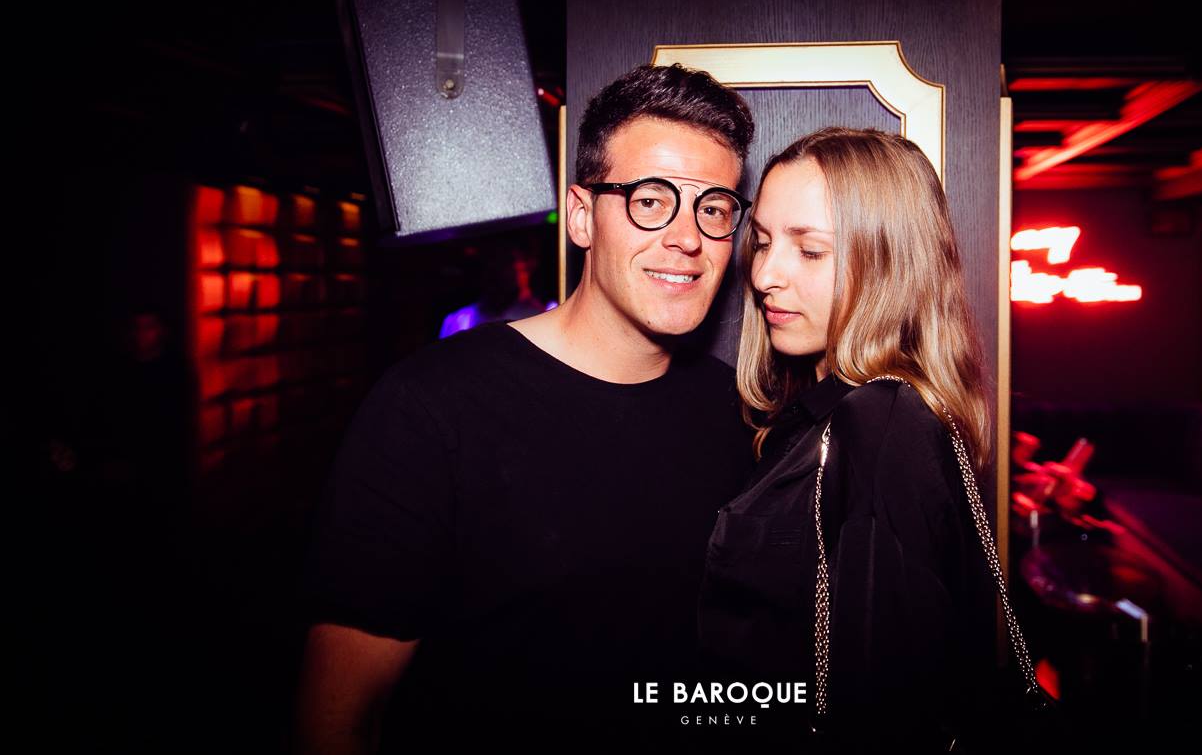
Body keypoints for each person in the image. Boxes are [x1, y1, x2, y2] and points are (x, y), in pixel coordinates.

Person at [296, 64, 757, 754]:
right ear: (581, 216)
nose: (687, 238)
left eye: (713, 208)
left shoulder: (737, 416)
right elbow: (335, 719)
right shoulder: (431, 408)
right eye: (650, 201)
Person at [698, 128, 995, 752]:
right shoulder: (820, 415)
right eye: (763, 242)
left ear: (889, 263)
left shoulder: (884, 423)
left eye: (810, 251)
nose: (765, 275)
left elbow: (888, 713)